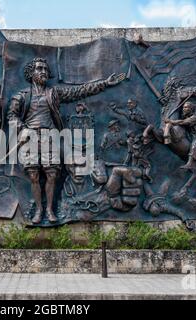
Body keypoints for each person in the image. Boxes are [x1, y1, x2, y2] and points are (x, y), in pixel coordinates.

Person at [8, 57, 126, 224]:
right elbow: (11, 116)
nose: (43, 72)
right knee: (34, 175)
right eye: (39, 69)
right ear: (31, 73)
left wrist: (104, 83)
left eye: (45, 69)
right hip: (31, 138)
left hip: (50, 137)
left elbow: (79, 91)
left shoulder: (53, 93)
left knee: (51, 174)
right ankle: (39, 210)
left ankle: (49, 209)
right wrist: (22, 128)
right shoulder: (21, 96)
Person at [165, 101, 196, 171]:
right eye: (183, 107)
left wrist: (171, 121)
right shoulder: (187, 116)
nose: (183, 109)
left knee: (194, 145)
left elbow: (183, 122)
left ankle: (189, 163)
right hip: (189, 134)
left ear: (191, 109)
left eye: (185, 107)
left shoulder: (195, 117)